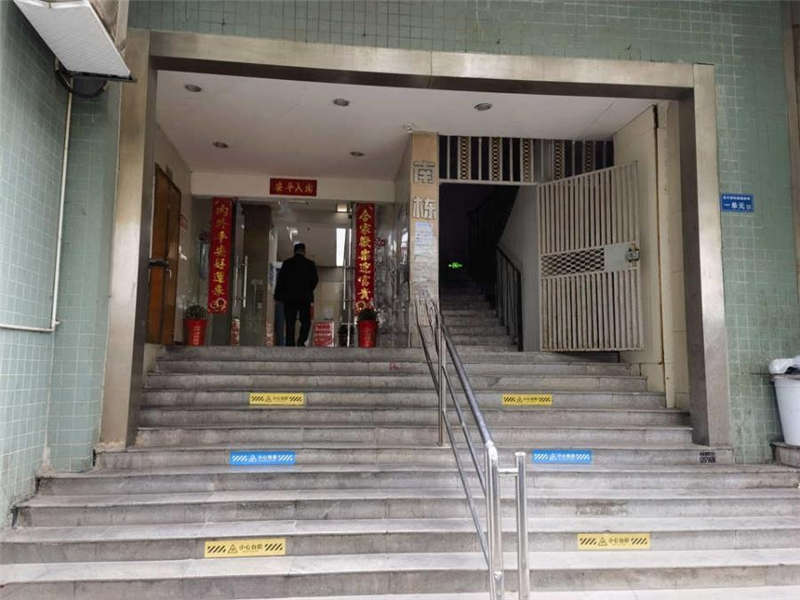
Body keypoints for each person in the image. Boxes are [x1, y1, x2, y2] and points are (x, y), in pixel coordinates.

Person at [274, 242, 318, 347]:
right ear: (304, 252)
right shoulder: (310, 264)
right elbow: (315, 280)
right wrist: (308, 289)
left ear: (294, 252)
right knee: (305, 322)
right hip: (305, 298)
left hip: (289, 298)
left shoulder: (287, 264)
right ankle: (301, 341)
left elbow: (280, 281)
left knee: (290, 322)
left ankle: (290, 343)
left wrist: (278, 295)